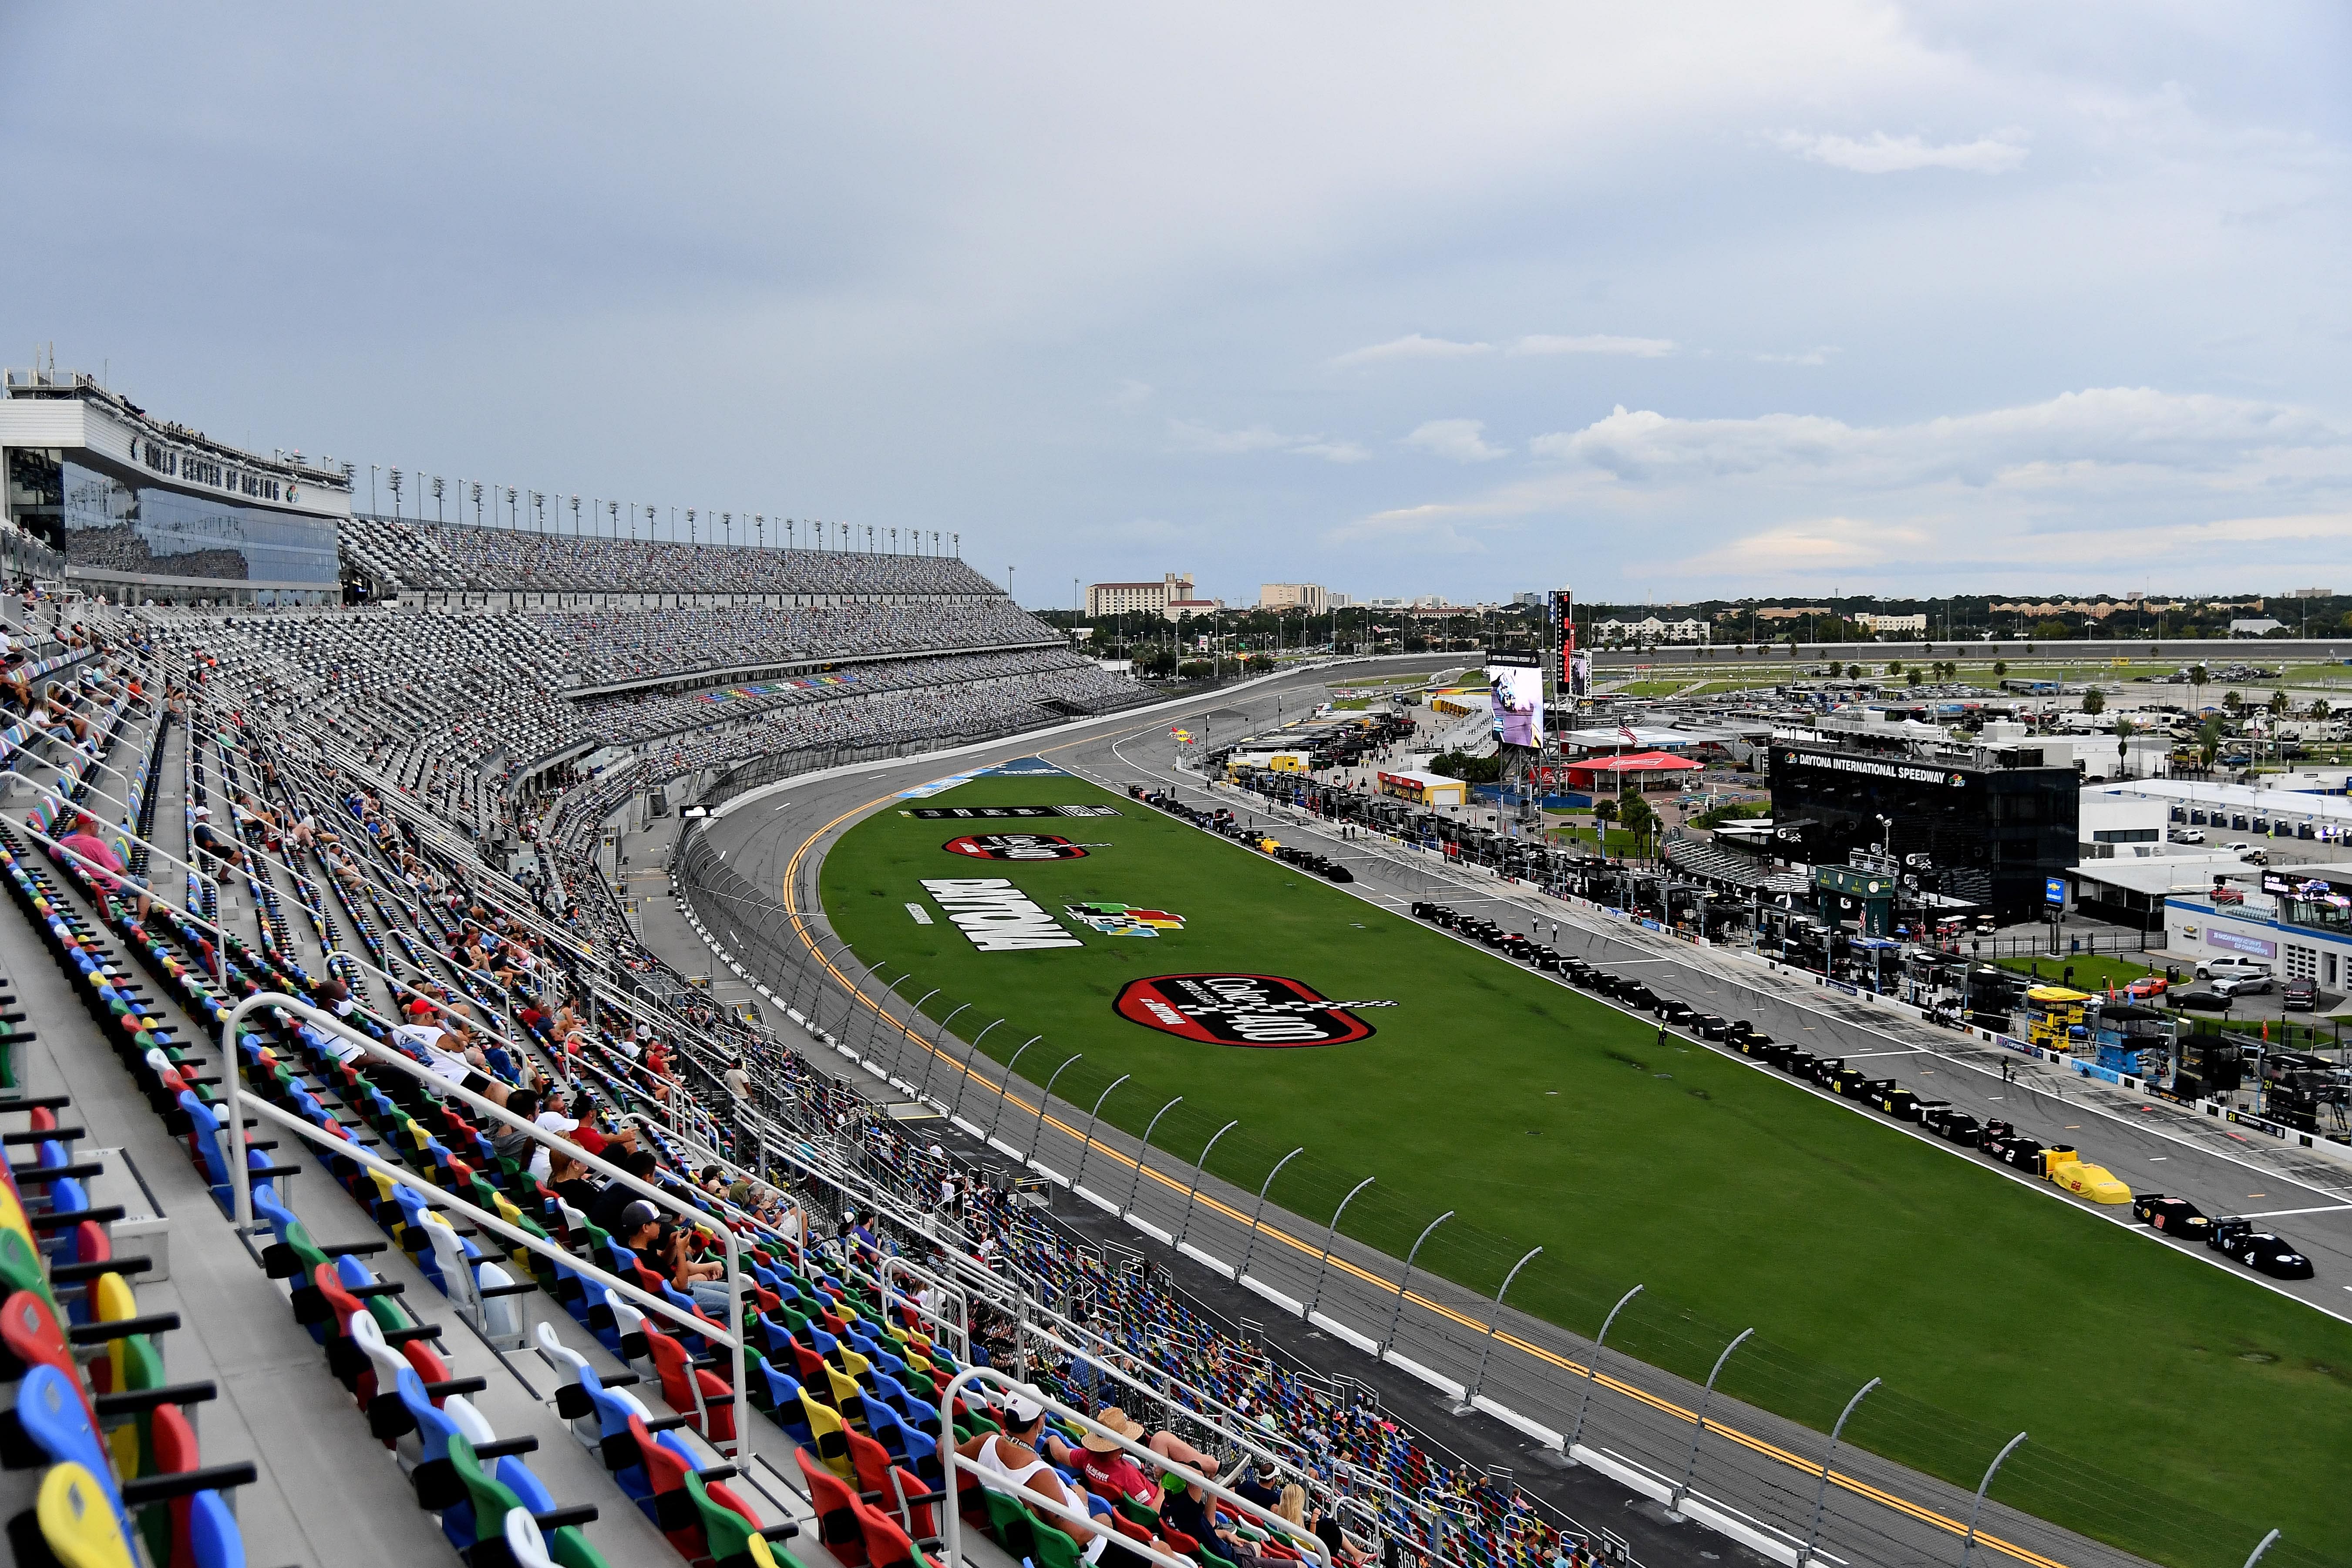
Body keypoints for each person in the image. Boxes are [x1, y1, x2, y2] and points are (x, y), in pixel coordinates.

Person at [55, 812, 151, 922]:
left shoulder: (64, 842)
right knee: (147, 885)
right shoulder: (96, 844)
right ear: (92, 826)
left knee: (129, 895)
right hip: (109, 885)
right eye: (98, 825)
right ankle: (141, 922)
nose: (98, 829)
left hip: (89, 886)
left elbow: (53, 853)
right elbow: (118, 870)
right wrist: (130, 877)